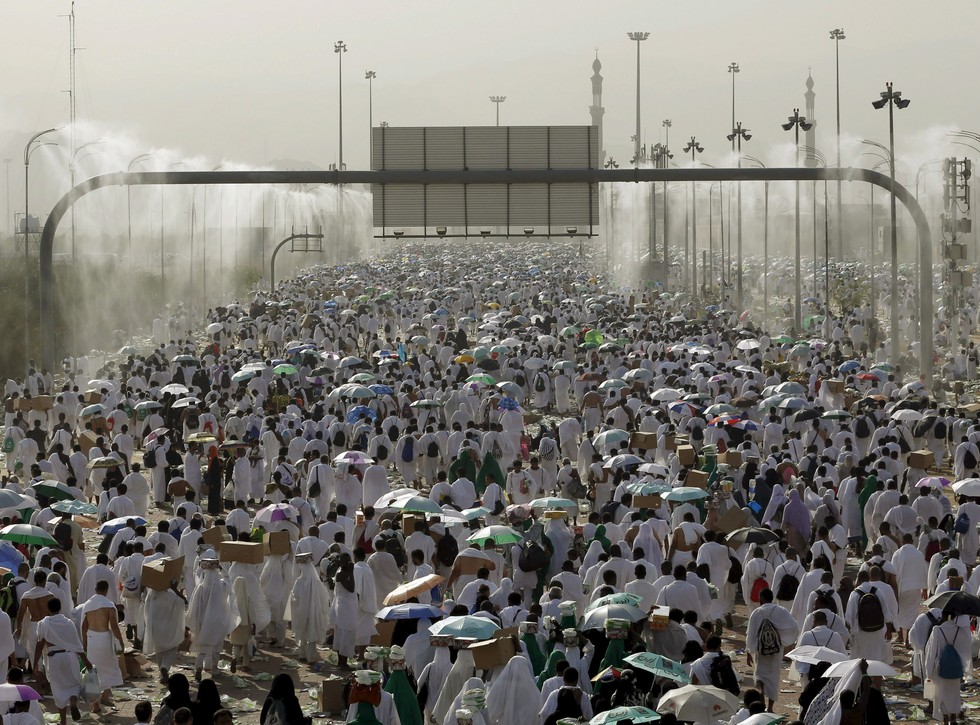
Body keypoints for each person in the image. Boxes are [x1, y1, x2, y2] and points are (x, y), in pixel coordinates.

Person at [33, 598, 91, 725]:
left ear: (48, 609)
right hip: (70, 657)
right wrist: (86, 661)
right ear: (60, 608)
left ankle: (63, 721)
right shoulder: (68, 623)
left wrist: (35, 663)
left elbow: (39, 645)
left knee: (58, 689)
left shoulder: (43, 623)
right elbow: (77, 644)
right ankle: (74, 703)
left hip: (54, 658)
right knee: (74, 685)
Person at [745, 588, 799, 711]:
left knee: (760, 675)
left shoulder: (756, 613)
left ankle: (761, 693)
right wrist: (783, 642)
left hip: (760, 651)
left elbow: (751, 634)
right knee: (774, 678)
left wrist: (749, 651)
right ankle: (770, 707)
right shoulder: (781, 611)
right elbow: (793, 627)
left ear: (762, 598)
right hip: (776, 651)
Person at [80, 579, 126, 712]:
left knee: (93, 672)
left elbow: (83, 627)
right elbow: (114, 626)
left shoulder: (87, 605)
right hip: (105, 639)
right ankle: (105, 695)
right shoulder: (109, 605)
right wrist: (121, 642)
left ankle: (95, 705)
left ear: (95, 589)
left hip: (91, 640)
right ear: (106, 590)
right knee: (109, 667)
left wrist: (84, 643)